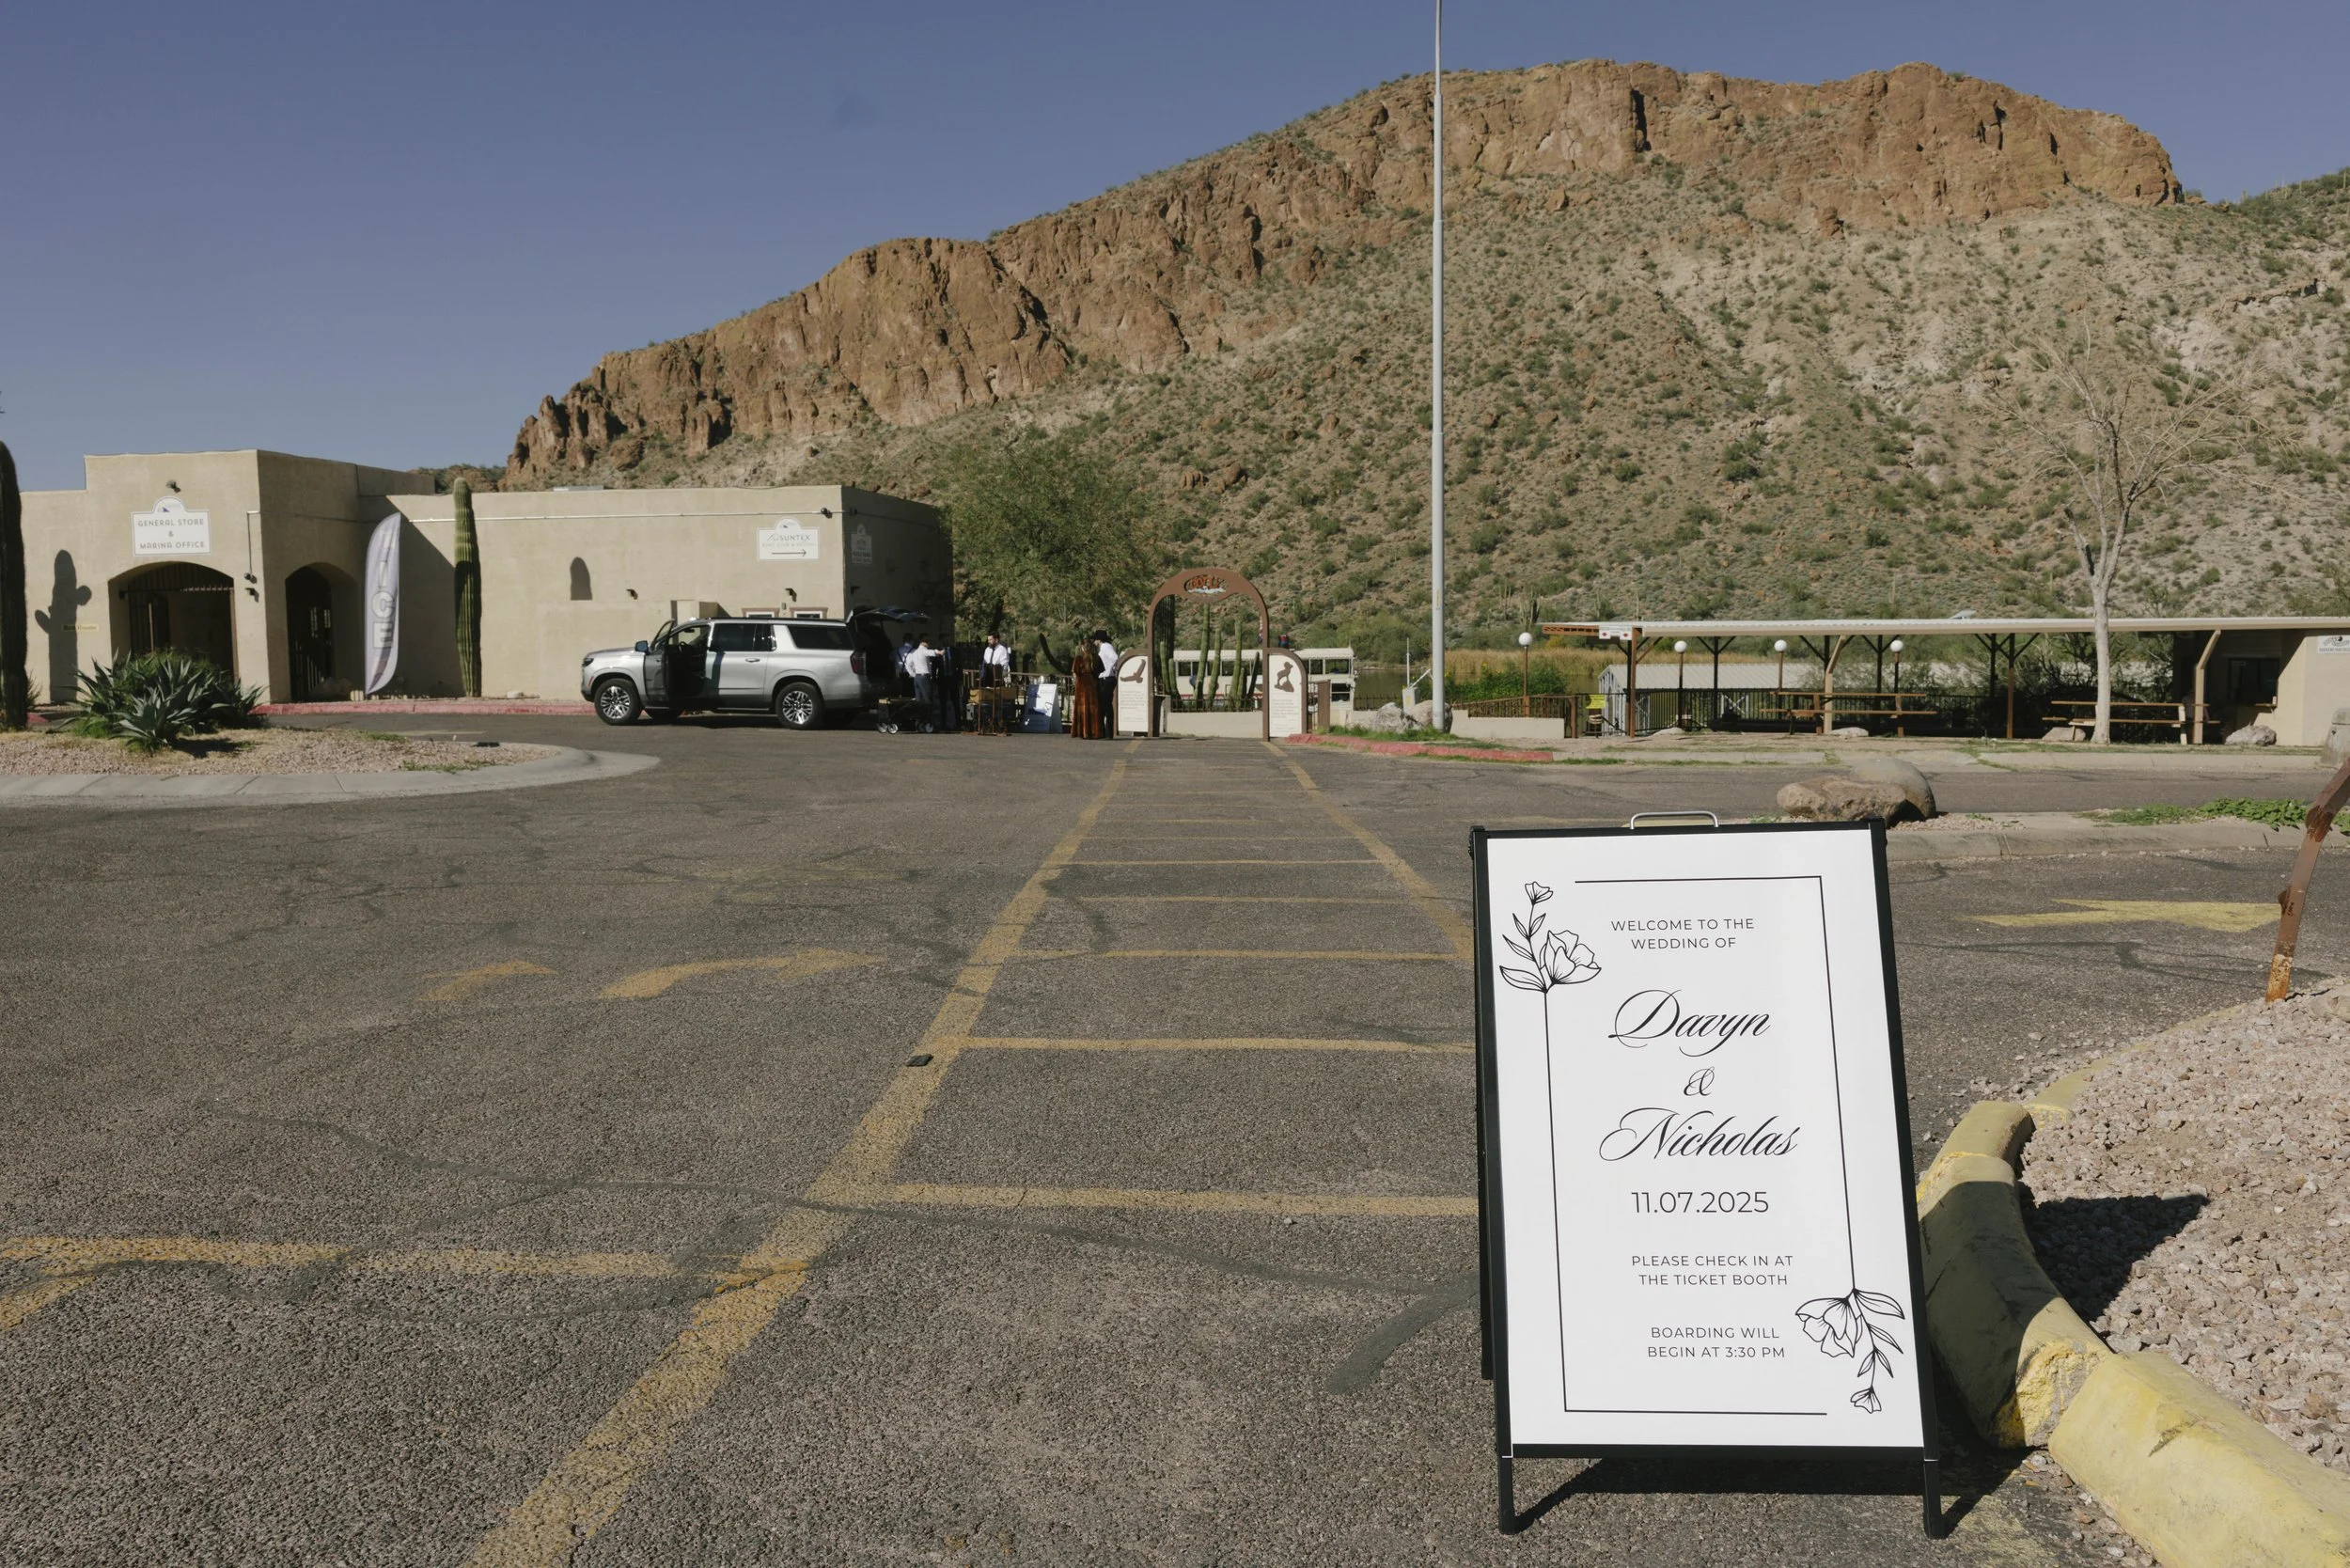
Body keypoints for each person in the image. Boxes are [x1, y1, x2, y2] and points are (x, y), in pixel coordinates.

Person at [1069, 635, 1101, 738]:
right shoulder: (1096, 657)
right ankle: (1093, 732)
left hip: (1081, 685)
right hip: (1093, 684)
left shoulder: (1079, 658)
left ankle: (1081, 732)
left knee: (1081, 708)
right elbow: (1099, 672)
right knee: (1093, 708)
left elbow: (1075, 672)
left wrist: (1077, 681)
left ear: (1083, 647)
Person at [1095, 630, 1120, 735]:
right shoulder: (1105, 647)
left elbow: (1115, 658)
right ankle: (1107, 731)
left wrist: (1109, 669)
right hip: (1107, 678)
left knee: (1105, 705)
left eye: (1095, 639)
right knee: (1106, 705)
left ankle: (1107, 731)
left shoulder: (1105, 647)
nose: (1094, 642)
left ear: (1099, 640)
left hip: (1107, 678)